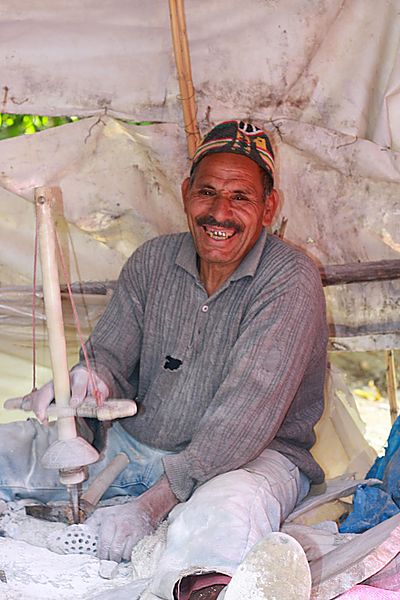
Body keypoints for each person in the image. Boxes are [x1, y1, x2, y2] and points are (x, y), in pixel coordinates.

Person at [1, 120, 328, 600]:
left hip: (249, 462)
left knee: (227, 511)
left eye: (241, 196)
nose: (220, 212)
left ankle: (201, 587)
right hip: (132, 449)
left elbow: (244, 418)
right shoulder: (152, 261)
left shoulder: (289, 278)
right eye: (207, 192)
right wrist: (89, 378)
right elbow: (110, 353)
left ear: (269, 207)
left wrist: (151, 504)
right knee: (11, 450)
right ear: (185, 193)